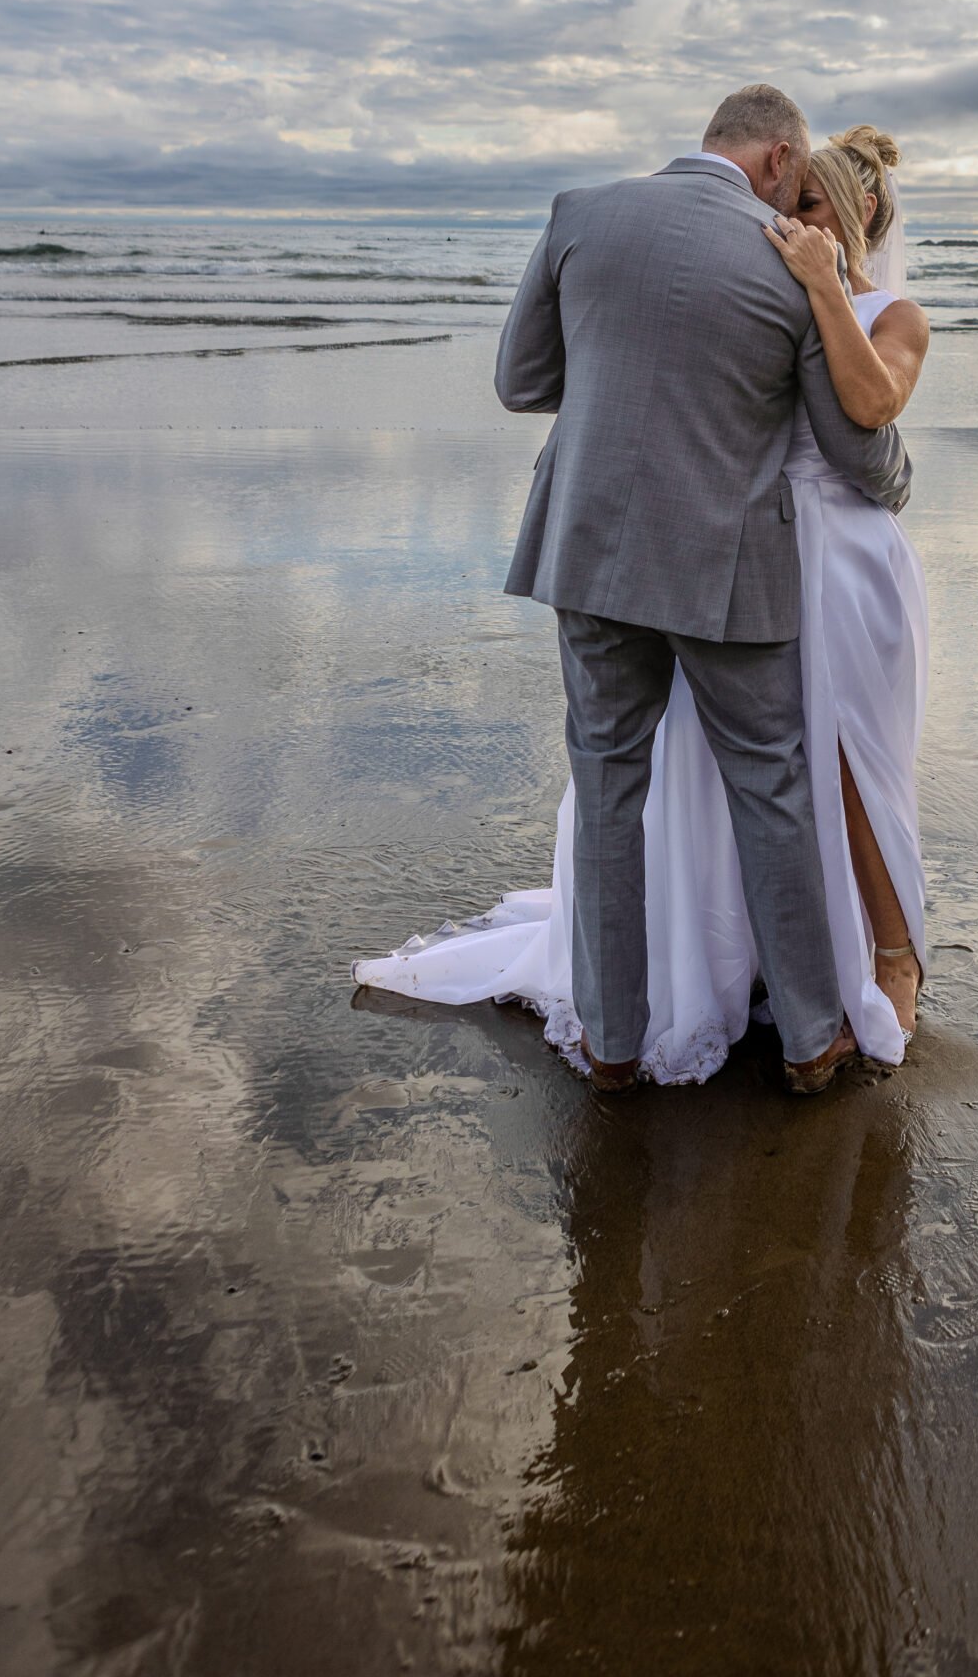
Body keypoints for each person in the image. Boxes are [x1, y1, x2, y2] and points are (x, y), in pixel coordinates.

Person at [353, 89, 921, 1095]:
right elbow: (850, 443)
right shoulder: (792, 257)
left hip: (594, 551)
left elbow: (522, 381)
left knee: (611, 787)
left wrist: (623, 376)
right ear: (781, 156)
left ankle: (610, 1046)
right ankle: (810, 1040)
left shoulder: (581, 212)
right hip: (727, 565)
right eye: (798, 177)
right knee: (771, 788)